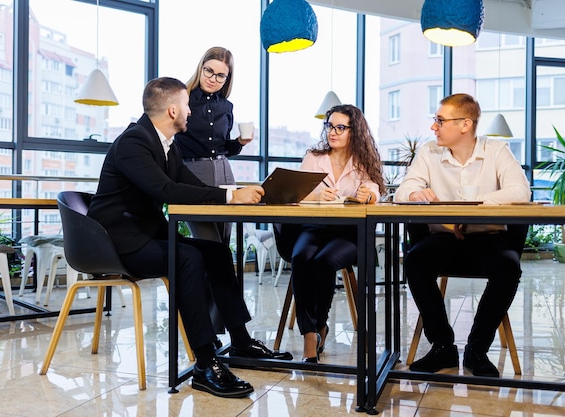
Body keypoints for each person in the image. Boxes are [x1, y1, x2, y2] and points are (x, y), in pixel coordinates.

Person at [87, 77, 292, 399]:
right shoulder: (133, 142)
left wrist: (236, 193)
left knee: (216, 252)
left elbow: (190, 185)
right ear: (172, 110)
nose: (190, 113)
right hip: (115, 244)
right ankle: (205, 364)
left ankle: (239, 341)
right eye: (186, 106)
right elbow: (165, 191)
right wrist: (231, 199)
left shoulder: (166, 145)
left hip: (142, 236)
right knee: (188, 257)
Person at [394, 93, 531, 377]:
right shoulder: (428, 152)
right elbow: (402, 192)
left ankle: (476, 349)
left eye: (440, 120)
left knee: (508, 267)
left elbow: (521, 191)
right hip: (442, 238)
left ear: (465, 124)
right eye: (435, 120)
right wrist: (415, 192)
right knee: (415, 261)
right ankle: (443, 347)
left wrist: (472, 210)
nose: (434, 127)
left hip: (488, 238)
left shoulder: (496, 150)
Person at [284, 104, 386, 362]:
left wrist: (369, 194)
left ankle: (320, 325)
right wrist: (316, 195)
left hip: (348, 233)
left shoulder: (364, 161)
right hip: (313, 227)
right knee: (300, 257)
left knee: (324, 262)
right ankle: (309, 333)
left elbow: (375, 189)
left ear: (355, 131)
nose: (333, 132)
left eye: (340, 127)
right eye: (330, 126)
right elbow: (295, 192)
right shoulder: (314, 157)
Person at [175, 46, 252, 244]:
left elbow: (224, 147)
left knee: (224, 240)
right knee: (208, 240)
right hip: (192, 172)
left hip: (224, 170)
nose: (213, 79)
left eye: (220, 76)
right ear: (201, 68)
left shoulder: (226, 106)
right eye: (209, 71)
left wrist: (240, 143)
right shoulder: (182, 99)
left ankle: (223, 276)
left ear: (227, 79)